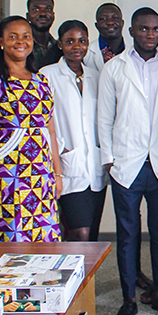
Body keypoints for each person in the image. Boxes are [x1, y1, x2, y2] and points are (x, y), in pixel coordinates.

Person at [97, 7, 158, 315]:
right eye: (143, 29)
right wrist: (109, 158)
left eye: (155, 29)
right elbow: (104, 117)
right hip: (127, 164)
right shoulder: (114, 68)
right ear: (132, 32)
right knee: (128, 233)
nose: (150, 34)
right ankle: (128, 299)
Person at [0, 16, 63, 242]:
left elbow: (50, 132)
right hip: (2, 180)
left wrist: (56, 174)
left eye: (26, 36)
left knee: (43, 244)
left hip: (39, 179)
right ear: (1, 41)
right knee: (6, 245)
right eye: (13, 37)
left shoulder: (41, 81)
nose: (21, 42)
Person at [42, 20, 106, 242]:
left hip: (94, 164)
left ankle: (88, 276)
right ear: (60, 45)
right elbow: (42, 120)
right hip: (66, 162)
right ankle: (74, 274)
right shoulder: (47, 75)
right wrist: (60, 146)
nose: (76, 46)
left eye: (82, 41)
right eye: (70, 42)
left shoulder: (96, 76)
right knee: (79, 231)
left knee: (92, 232)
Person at [86, 3, 127, 74]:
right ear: (96, 25)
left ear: (122, 23)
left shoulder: (133, 51)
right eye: (103, 19)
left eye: (115, 18)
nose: (110, 22)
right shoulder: (86, 53)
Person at [27, 0, 62, 69]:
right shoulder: (22, 46)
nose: (43, 13)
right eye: (36, 10)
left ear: (53, 15)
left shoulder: (60, 47)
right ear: (28, 16)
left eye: (48, 9)